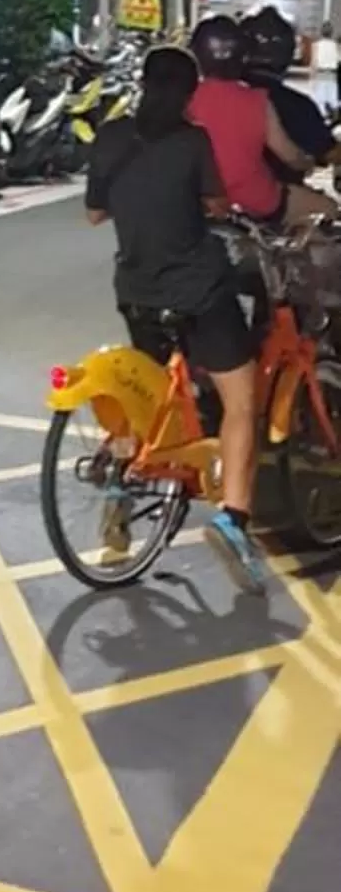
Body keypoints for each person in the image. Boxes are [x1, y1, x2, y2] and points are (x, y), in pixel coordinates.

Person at [86, 43, 265, 589]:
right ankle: (233, 519)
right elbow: (215, 204)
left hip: (135, 290)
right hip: (198, 292)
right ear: (190, 94)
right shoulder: (193, 142)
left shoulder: (112, 137)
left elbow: (95, 212)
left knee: (143, 399)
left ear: (142, 82)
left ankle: (119, 492)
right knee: (242, 402)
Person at [187, 11, 316, 225]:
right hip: (257, 200)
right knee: (328, 209)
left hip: (200, 201)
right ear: (243, 56)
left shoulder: (185, 99)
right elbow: (289, 155)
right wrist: (307, 162)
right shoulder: (258, 101)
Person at [239, 7, 335, 179]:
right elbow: (327, 152)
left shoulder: (210, 96)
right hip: (276, 196)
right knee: (328, 206)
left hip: (220, 194)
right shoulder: (297, 105)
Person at [313, 22, 339, 123]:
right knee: (333, 97)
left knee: (319, 99)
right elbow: (338, 59)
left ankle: (322, 118)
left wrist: (312, 77)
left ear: (321, 32)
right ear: (332, 33)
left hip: (320, 73)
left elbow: (314, 62)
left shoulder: (316, 45)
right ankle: (336, 117)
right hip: (332, 73)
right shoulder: (335, 45)